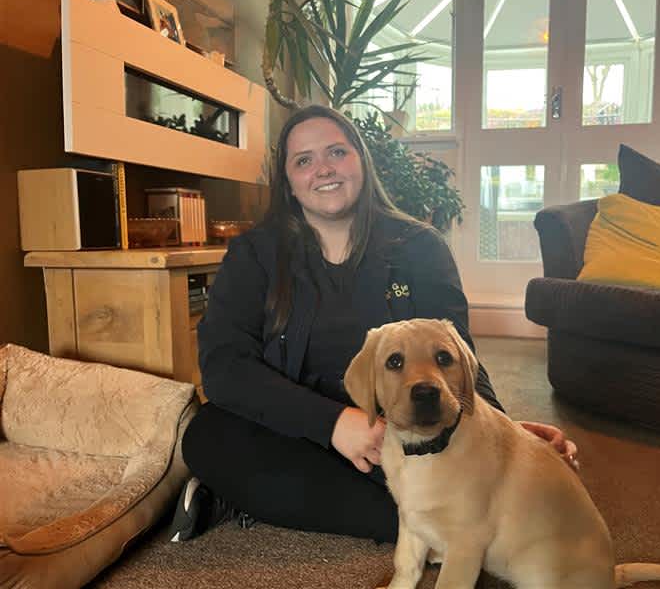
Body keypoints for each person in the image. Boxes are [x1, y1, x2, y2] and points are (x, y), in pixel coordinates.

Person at [168, 104, 578, 544]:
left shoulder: (420, 247)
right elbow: (224, 366)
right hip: (293, 428)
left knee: (464, 462)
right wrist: (334, 424)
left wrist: (506, 433)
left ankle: (257, 498)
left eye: (337, 153)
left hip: (400, 437)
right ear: (287, 182)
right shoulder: (253, 255)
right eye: (303, 161)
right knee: (209, 435)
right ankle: (443, 523)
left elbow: (458, 359)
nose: (323, 169)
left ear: (361, 160)